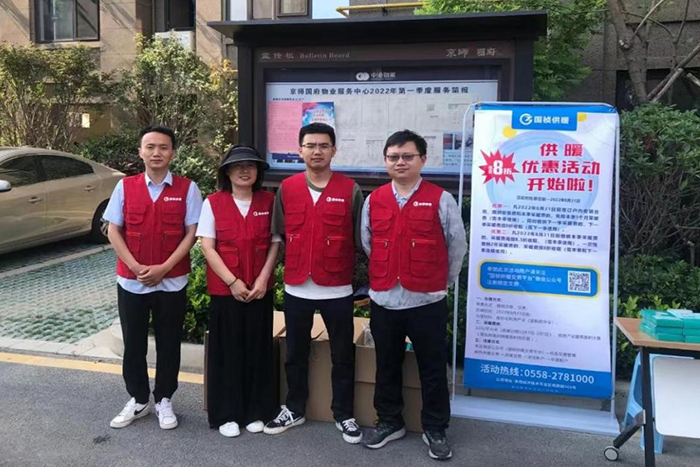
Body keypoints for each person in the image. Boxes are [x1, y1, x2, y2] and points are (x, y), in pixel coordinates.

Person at [360, 130, 468, 460]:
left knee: (432, 368)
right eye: (393, 157)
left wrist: (441, 283)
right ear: (385, 161)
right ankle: (390, 421)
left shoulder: (441, 199)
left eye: (407, 156)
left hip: (427, 302)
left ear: (422, 159)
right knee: (386, 365)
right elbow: (368, 242)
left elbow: (456, 246)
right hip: (385, 300)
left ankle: (435, 428)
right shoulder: (374, 199)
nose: (400, 162)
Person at [263, 122, 364, 444]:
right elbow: (279, 235)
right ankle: (294, 408)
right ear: (300, 151)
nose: (316, 151)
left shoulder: (350, 190)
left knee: (342, 354)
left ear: (334, 150)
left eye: (323, 145)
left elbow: (361, 240)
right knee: (295, 353)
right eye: (310, 145)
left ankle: (344, 413)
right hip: (297, 286)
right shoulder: (287, 188)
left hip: (337, 286)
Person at [104, 126, 203, 430]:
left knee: (169, 343)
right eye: (150, 147)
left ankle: (164, 399)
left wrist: (164, 268)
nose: (156, 153)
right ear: (141, 152)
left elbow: (191, 234)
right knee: (133, 344)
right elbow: (113, 230)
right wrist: (135, 266)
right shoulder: (125, 187)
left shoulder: (188, 189)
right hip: (131, 281)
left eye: (163, 147)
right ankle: (138, 399)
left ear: (173, 153)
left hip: (171, 282)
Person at [196, 145, 280, 438]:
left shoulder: (269, 201)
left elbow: (275, 243)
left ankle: (256, 410)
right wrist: (232, 282)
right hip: (225, 291)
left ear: (258, 172)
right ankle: (227, 414)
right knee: (228, 352)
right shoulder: (213, 203)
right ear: (227, 172)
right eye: (237, 166)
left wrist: (263, 279)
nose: (245, 170)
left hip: (259, 289)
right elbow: (208, 247)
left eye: (251, 166)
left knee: (258, 350)